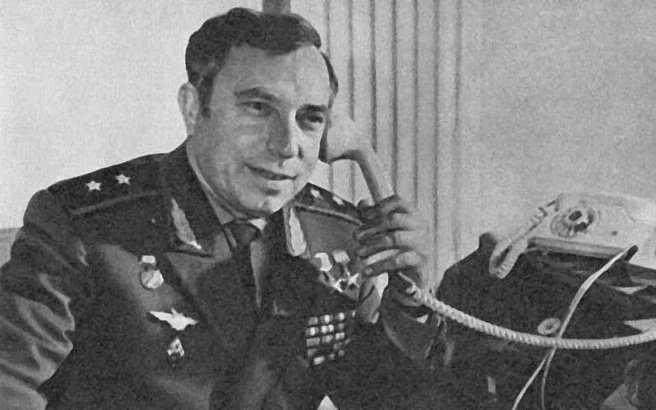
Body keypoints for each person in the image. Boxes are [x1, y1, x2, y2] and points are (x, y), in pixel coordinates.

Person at [0, 8, 450, 409]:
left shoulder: (337, 234)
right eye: (258, 108)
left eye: (310, 118)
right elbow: (11, 387)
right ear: (194, 108)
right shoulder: (84, 227)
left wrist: (409, 294)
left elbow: (383, 396)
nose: (286, 145)